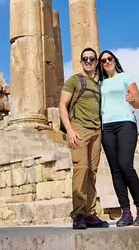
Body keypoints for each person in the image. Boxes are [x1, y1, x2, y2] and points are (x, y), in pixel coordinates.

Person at [59, 48, 109, 230]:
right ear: (81, 62)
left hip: (96, 130)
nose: (88, 61)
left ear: (96, 62)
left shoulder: (97, 85)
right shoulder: (74, 80)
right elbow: (62, 105)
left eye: (92, 59)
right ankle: (79, 214)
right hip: (79, 129)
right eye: (85, 59)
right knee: (81, 169)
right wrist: (70, 130)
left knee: (92, 171)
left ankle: (90, 213)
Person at [99, 50, 139, 226]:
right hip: (107, 126)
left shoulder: (126, 77)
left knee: (126, 166)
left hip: (125, 123)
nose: (107, 62)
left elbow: (138, 103)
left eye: (109, 58)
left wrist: (132, 99)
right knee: (115, 170)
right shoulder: (100, 83)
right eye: (103, 60)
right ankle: (126, 212)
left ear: (115, 60)